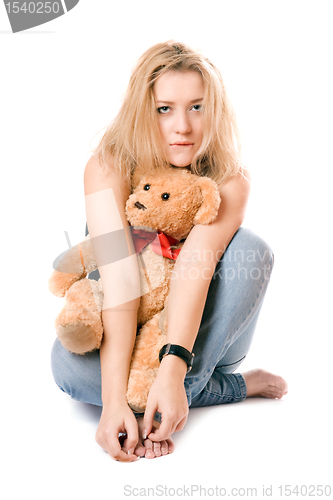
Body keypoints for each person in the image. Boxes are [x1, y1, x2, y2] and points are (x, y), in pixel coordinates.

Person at [51, 40, 288, 462]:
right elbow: (119, 282)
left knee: (252, 248)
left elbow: (194, 269)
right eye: (165, 109)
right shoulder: (108, 167)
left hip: (206, 329)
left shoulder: (230, 179)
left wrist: (173, 369)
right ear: (144, 111)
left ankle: (172, 391)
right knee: (69, 371)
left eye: (196, 107)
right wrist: (112, 404)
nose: (182, 127)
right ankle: (231, 388)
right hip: (130, 318)